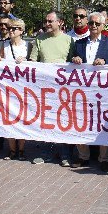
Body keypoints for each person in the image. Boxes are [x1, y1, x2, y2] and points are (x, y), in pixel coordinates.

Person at [70, 12, 108, 171]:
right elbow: (71, 62)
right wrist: (75, 59)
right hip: (82, 90)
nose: (94, 26)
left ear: (103, 26)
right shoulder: (79, 43)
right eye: (91, 23)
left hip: (102, 91)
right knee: (80, 122)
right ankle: (83, 156)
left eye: (97, 24)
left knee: (104, 123)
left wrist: (105, 62)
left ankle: (104, 158)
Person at [29, 10, 75, 166]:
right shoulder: (39, 39)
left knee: (64, 121)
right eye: (46, 21)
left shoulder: (69, 40)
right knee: (45, 120)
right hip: (44, 89)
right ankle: (44, 152)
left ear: (60, 22)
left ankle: (64, 154)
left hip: (63, 90)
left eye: (50, 21)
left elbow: (73, 65)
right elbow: (33, 61)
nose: (47, 24)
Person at [0, 18, 29, 161]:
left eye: (14, 29)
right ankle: (12, 150)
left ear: (21, 31)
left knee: (22, 118)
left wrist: (25, 61)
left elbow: (34, 64)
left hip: (23, 88)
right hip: (7, 87)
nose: (11, 31)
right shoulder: (5, 45)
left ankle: (21, 149)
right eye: (10, 28)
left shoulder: (28, 46)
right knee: (8, 118)